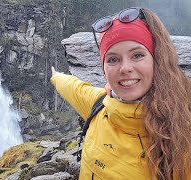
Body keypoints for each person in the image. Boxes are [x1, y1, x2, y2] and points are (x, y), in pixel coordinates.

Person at [51, 7, 191, 180]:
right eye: (112, 59)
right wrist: (56, 76)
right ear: (104, 69)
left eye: (137, 55)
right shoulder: (99, 106)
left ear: (157, 59)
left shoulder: (182, 133)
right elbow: (73, 87)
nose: (125, 68)